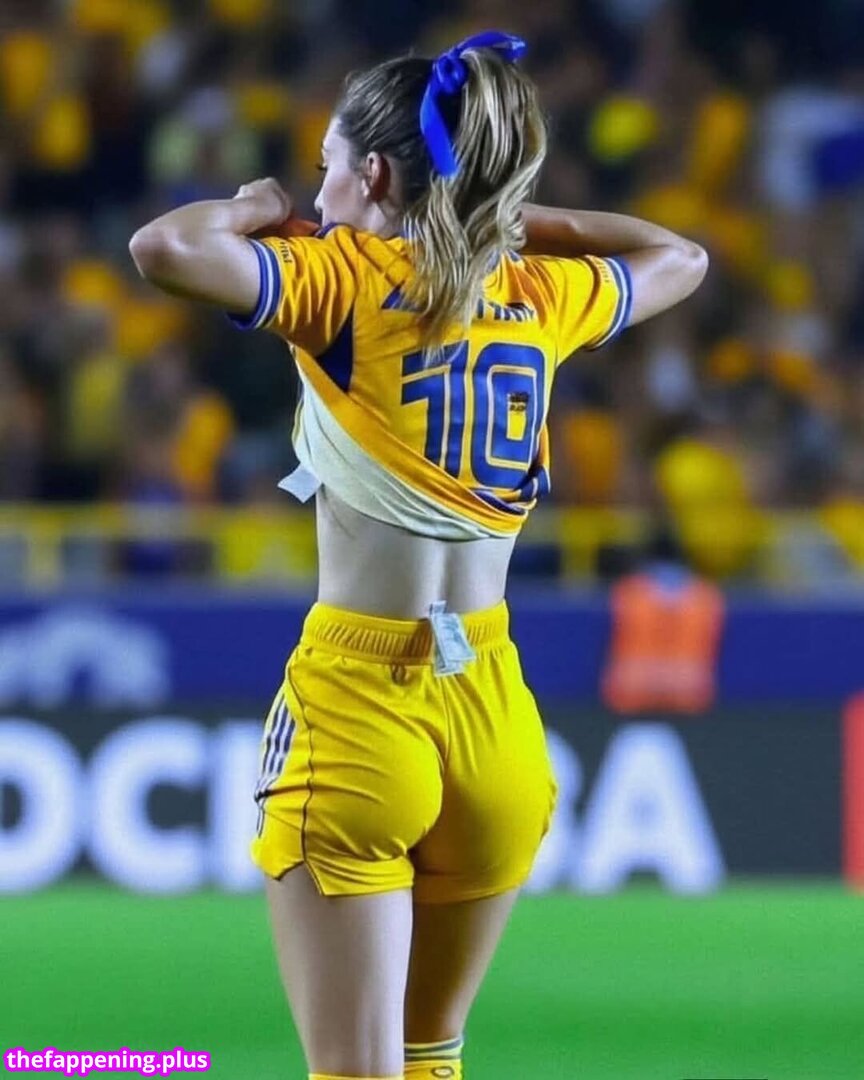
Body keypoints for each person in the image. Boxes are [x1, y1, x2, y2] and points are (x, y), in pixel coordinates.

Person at [130, 30, 707, 1080]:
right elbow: (682, 257)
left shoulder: (341, 279)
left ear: (373, 175)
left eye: (325, 167)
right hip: (494, 715)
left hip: (361, 701)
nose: (318, 192)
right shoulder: (539, 294)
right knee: (431, 1057)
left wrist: (256, 204)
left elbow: (163, 248)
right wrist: (510, 219)